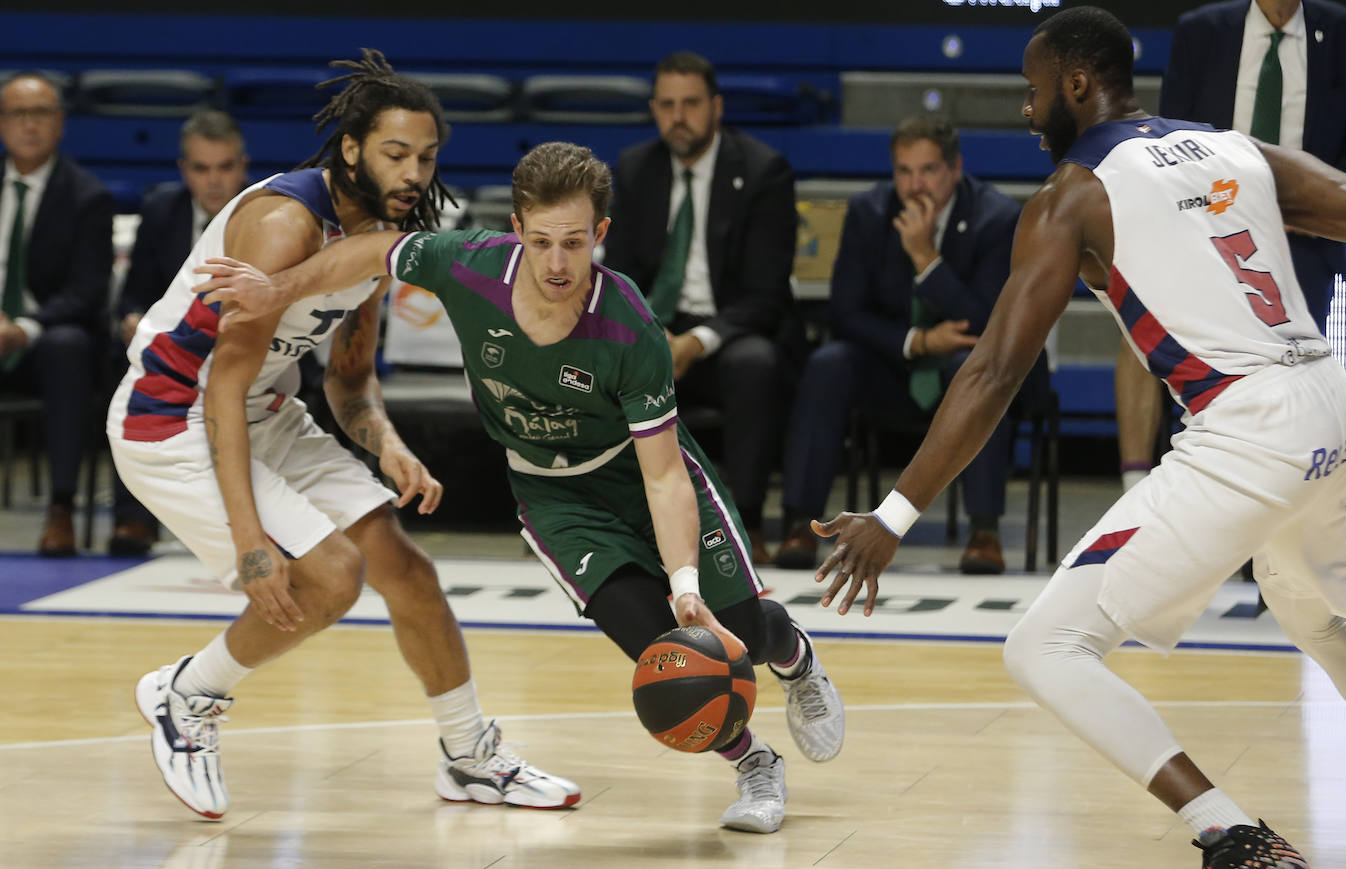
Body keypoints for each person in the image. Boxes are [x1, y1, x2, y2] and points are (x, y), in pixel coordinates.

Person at [810, 5, 1346, 867]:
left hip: (1251, 430)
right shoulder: (1231, 146)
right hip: (1338, 407)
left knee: (1045, 646)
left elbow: (994, 368)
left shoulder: (1071, 195)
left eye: (1035, 92)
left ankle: (1232, 833)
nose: (1029, 112)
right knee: (1318, 618)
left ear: (1076, 83)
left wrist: (891, 515)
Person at [193, 140, 846, 835]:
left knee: (735, 628)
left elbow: (662, 474)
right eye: (541, 242)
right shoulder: (468, 264)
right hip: (557, 497)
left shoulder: (630, 327)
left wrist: (684, 580)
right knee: (659, 648)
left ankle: (795, 657)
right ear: (515, 231)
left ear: (600, 234)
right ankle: (754, 762)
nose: (558, 263)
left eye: (573, 242)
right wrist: (280, 287)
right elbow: (377, 251)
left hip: (639, 474)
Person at [106, 51, 577, 819]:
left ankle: (470, 756)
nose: (414, 171)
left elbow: (349, 378)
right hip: (174, 418)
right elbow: (221, 385)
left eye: (427, 157)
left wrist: (384, 443)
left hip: (262, 410)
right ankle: (188, 697)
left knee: (406, 568)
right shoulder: (286, 224)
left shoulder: (389, 234)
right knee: (327, 577)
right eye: (396, 153)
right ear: (351, 147)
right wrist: (254, 541)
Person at [1116, 0, 1346, 491]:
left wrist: (1325, 208)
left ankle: (1271, 545)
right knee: (1187, 367)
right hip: (1210, 233)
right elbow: (1170, 135)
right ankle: (1158, 494)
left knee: (1289, 389)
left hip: (1302, 244)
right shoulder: (1204, 31)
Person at [775, 115, 1023, 574]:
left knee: (975, 368)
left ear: (955, 169)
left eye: (927, 170)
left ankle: (984, 532)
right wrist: (920, 340)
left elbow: (988, 323)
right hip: (892, 364)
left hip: (962, 370)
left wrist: (926, 259)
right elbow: (845, 313)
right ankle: (800, 524)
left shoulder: (997, 218)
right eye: (903, 171)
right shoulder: (870, 212)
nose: (914, 185)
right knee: (829, 364)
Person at [603, 52, 798, 565]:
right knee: (597, 358)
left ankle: (748, 523)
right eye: (666, 105)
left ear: (716, 107)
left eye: (690, 104)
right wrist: (651, 338)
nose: (678, 117)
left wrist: (694, 343)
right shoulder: (635, 169)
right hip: (655, 331)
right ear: (653, 109)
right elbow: (618, 277)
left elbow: (765, 295)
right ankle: (613, 525)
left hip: (728, 333)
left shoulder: (762, 172)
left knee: (754, 366)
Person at [108, 109, 251, 556]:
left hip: (247, 347)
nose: (214, 181)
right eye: (202, 168)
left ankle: (257, 519)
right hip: (175, 352)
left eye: (225, 167)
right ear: (183, 170)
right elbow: (133, 296)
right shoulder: (160, 212)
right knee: (129, 367)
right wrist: (131, 319)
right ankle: (134, 519)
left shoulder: (265, 214)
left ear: (243, 166)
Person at [0, 70, 114, 557]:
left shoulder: (87, 197)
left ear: (61, 122)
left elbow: (87, 290)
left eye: (41, 113)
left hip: (43, 340)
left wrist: (24, 327)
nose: (29, 125)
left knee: (69, 346)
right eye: (17, 114)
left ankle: (61, 508)